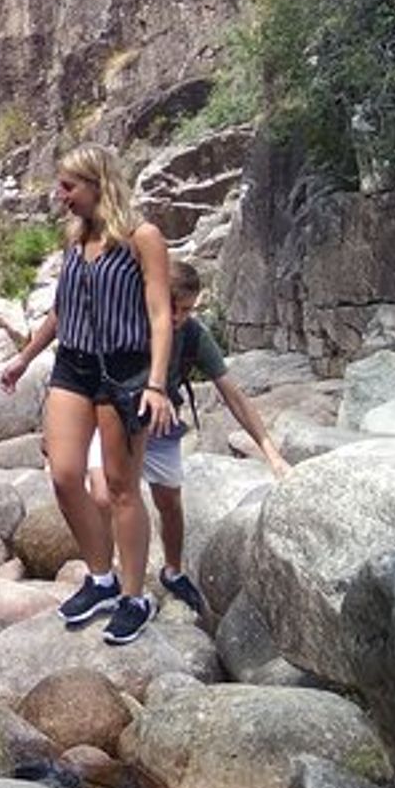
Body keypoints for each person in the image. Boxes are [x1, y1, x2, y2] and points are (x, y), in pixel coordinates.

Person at [0, 144, 173, 645]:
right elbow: (61, 311)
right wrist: (24, 358)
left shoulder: (143, 238)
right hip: (73, 366)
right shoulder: (74, 241)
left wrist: (157, 385)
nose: (61, 196)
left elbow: (161, 315)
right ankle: (101, 578)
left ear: (98, 184)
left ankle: (135, 597)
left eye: (69, 186)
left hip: (124, 371)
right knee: (65, 475)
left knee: (120, 488)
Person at [82, 258, 292, 620]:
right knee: (102, 494)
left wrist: (271, 453)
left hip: (159, 423)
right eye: (174, 308)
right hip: (112, 417)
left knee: (169, 501)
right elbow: (81, 378)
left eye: (188, 309)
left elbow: (232, 394)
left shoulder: (194, 335)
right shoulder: (120, 324)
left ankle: (173, 571)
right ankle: (105, 577)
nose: (179, 317)